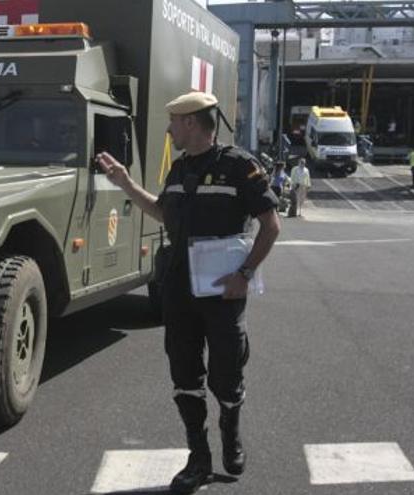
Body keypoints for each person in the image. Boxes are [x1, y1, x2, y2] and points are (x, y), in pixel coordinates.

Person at [96, 91, 280, 494]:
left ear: (192, 123)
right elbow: (164, 212)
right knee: (184, 375)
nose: (169, 130)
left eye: (174, 123)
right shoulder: (178, 170)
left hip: (224, 292)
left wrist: (245, 274)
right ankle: (199, 458)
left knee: (226, 376)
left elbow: (271, 225)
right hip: (179, 290)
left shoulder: (239, 167)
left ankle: (230, 433)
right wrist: (125, 184)